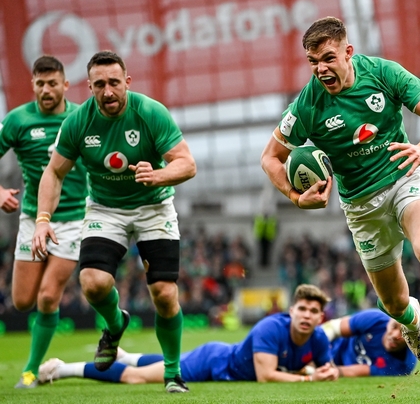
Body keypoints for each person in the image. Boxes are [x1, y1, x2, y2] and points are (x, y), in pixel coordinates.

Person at [260, 16, 420, 394]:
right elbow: (270, 157)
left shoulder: (383, 73)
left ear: (348, 52)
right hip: (360, 207)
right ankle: (410, 320)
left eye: (328, 57)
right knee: (393, 302)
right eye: (312, 61)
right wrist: (294, 196)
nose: (320, 68)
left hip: (405, 179)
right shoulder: (307, 105)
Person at [31, 50, 197, 393]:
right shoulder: (77, 122)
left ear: (127, 82)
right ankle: (116, 322)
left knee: (164, 294)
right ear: (89, 87)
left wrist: (160, 175)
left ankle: (172, 372)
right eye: (100, 85)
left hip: (154, 207)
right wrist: (42, 219)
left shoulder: (150, 112)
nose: (108, 91)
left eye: (114, 83)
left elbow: (187, 163)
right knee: (92, 283)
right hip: (106, 209)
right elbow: (54, 172)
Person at [36, 284, 338, 385]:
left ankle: (127, 355)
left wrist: (329, 372)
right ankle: (63, 370)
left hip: (219, 361)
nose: (307, 315)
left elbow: (328, 367)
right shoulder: (271, 327)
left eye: (314, 312)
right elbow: (266, 376)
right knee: (135, 378)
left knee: (161, 361)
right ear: (292, 310)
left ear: (321, 317)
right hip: (214, 363)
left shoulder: (320, 338)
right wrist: (310, 377)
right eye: (302, 308)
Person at [2, 56, 89, 389]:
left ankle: (31, 369)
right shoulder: (18, 120)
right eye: (40, 84)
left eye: (53, 83)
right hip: (31, 219)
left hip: (74, 220)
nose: (46, 89)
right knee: (22, 301)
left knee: (48, 298)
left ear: (65, 85)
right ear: (33, 86)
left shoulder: (81, 116)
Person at [323, 309, 416, 377]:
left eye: (404, 333)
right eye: (394, 326)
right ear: (389, 321)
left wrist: (329, 370)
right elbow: (333, 327)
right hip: (327, 347)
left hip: (337, 365)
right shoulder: (375, 318)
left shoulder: (404, 364)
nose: (396, 335)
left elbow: (358, 371)